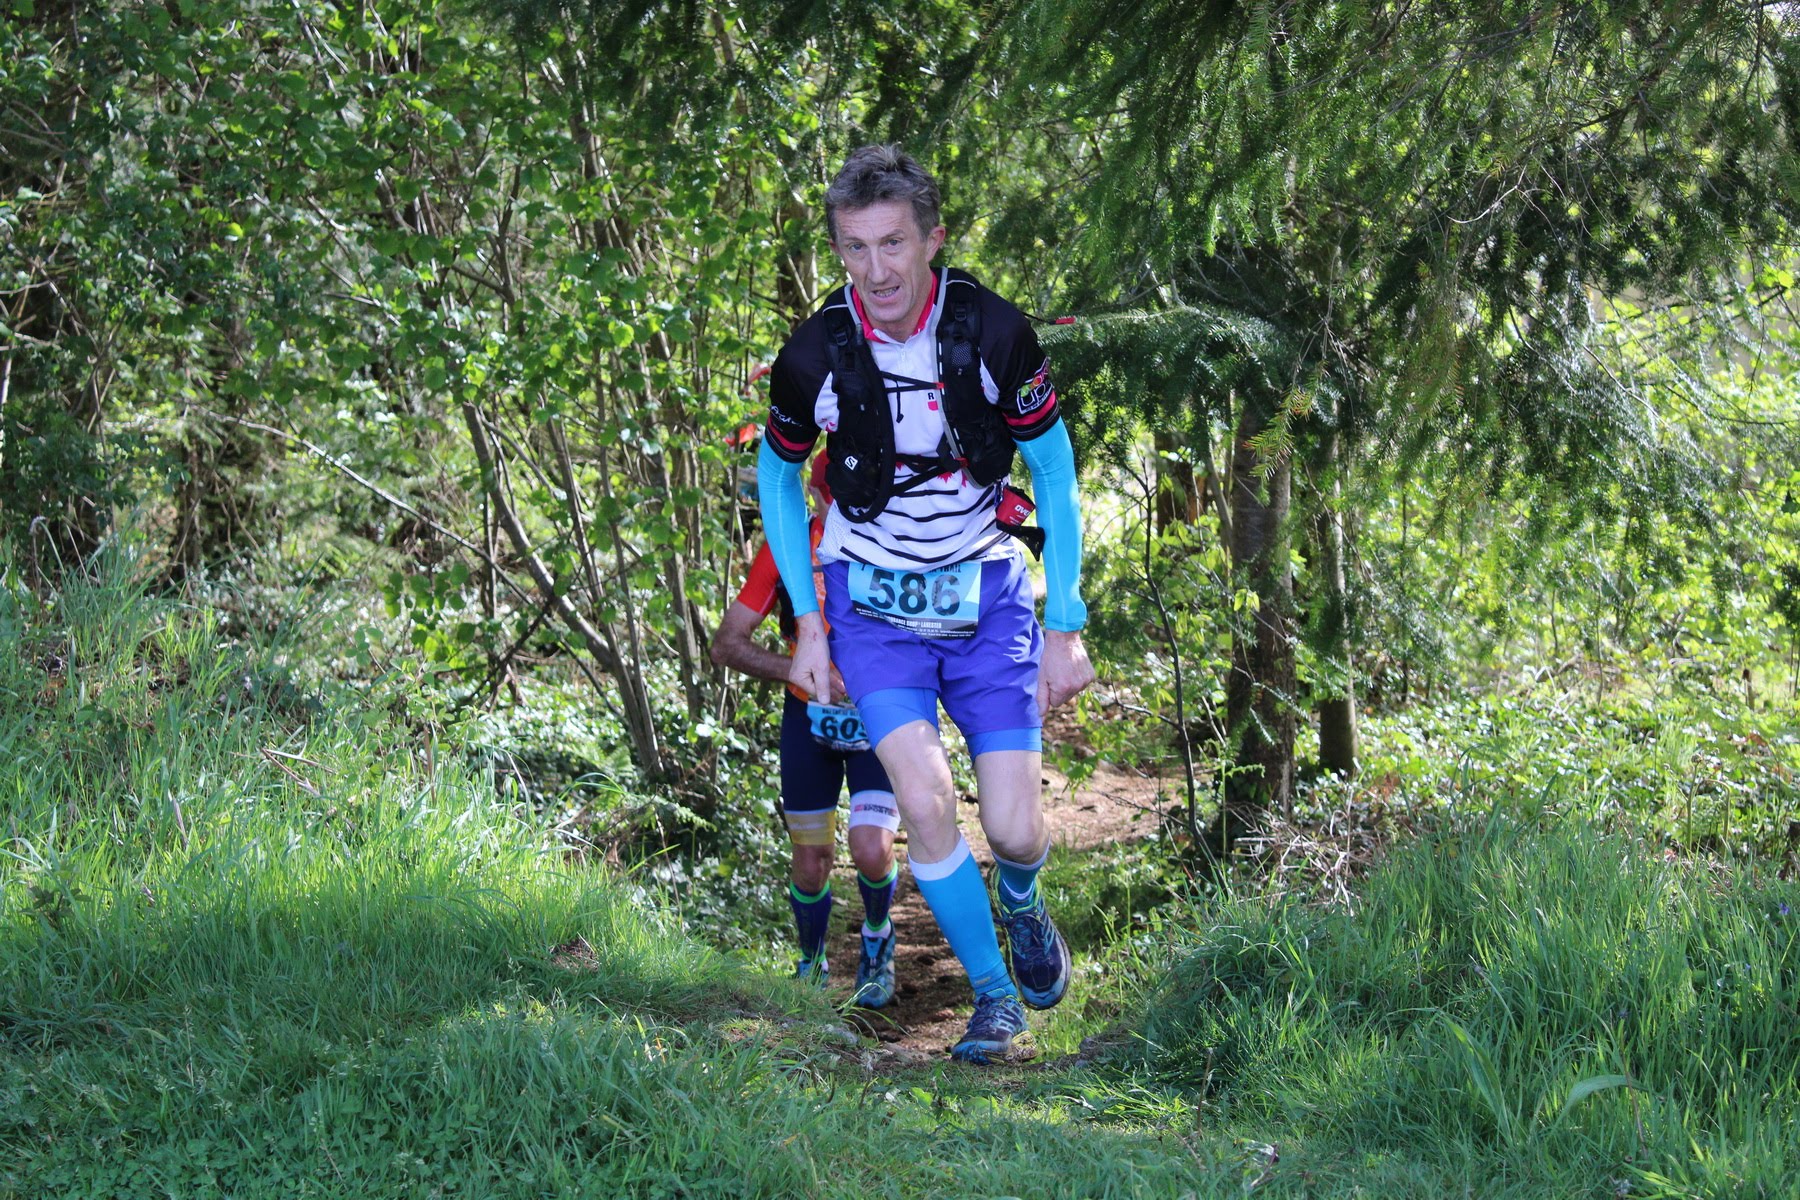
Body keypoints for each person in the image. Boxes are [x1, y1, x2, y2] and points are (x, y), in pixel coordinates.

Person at [757, 145, 1095, 1063]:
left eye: (893, 243)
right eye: (855, 248)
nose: (876, 271)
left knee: (1015, 830)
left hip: (984, 595)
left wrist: (1064, 622)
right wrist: (811, 623)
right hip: (873, 608)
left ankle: (1021, 900)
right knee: (926, 800)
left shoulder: (992, 332)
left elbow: (1054, 469)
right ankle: (995, 999)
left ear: (933, 239)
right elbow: (777, 477)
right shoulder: (815, 354)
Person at [711, 451, 902, 1008]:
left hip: (878, 718)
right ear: (817, 496)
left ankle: (877, 937)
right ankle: (811, 963)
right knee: (812, 861)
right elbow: (727, 644)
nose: (847, 506)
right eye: (834, 495)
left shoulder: (898, 540)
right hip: (808, 718)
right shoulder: (788, 548)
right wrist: (793, 667)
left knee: (871, 848)